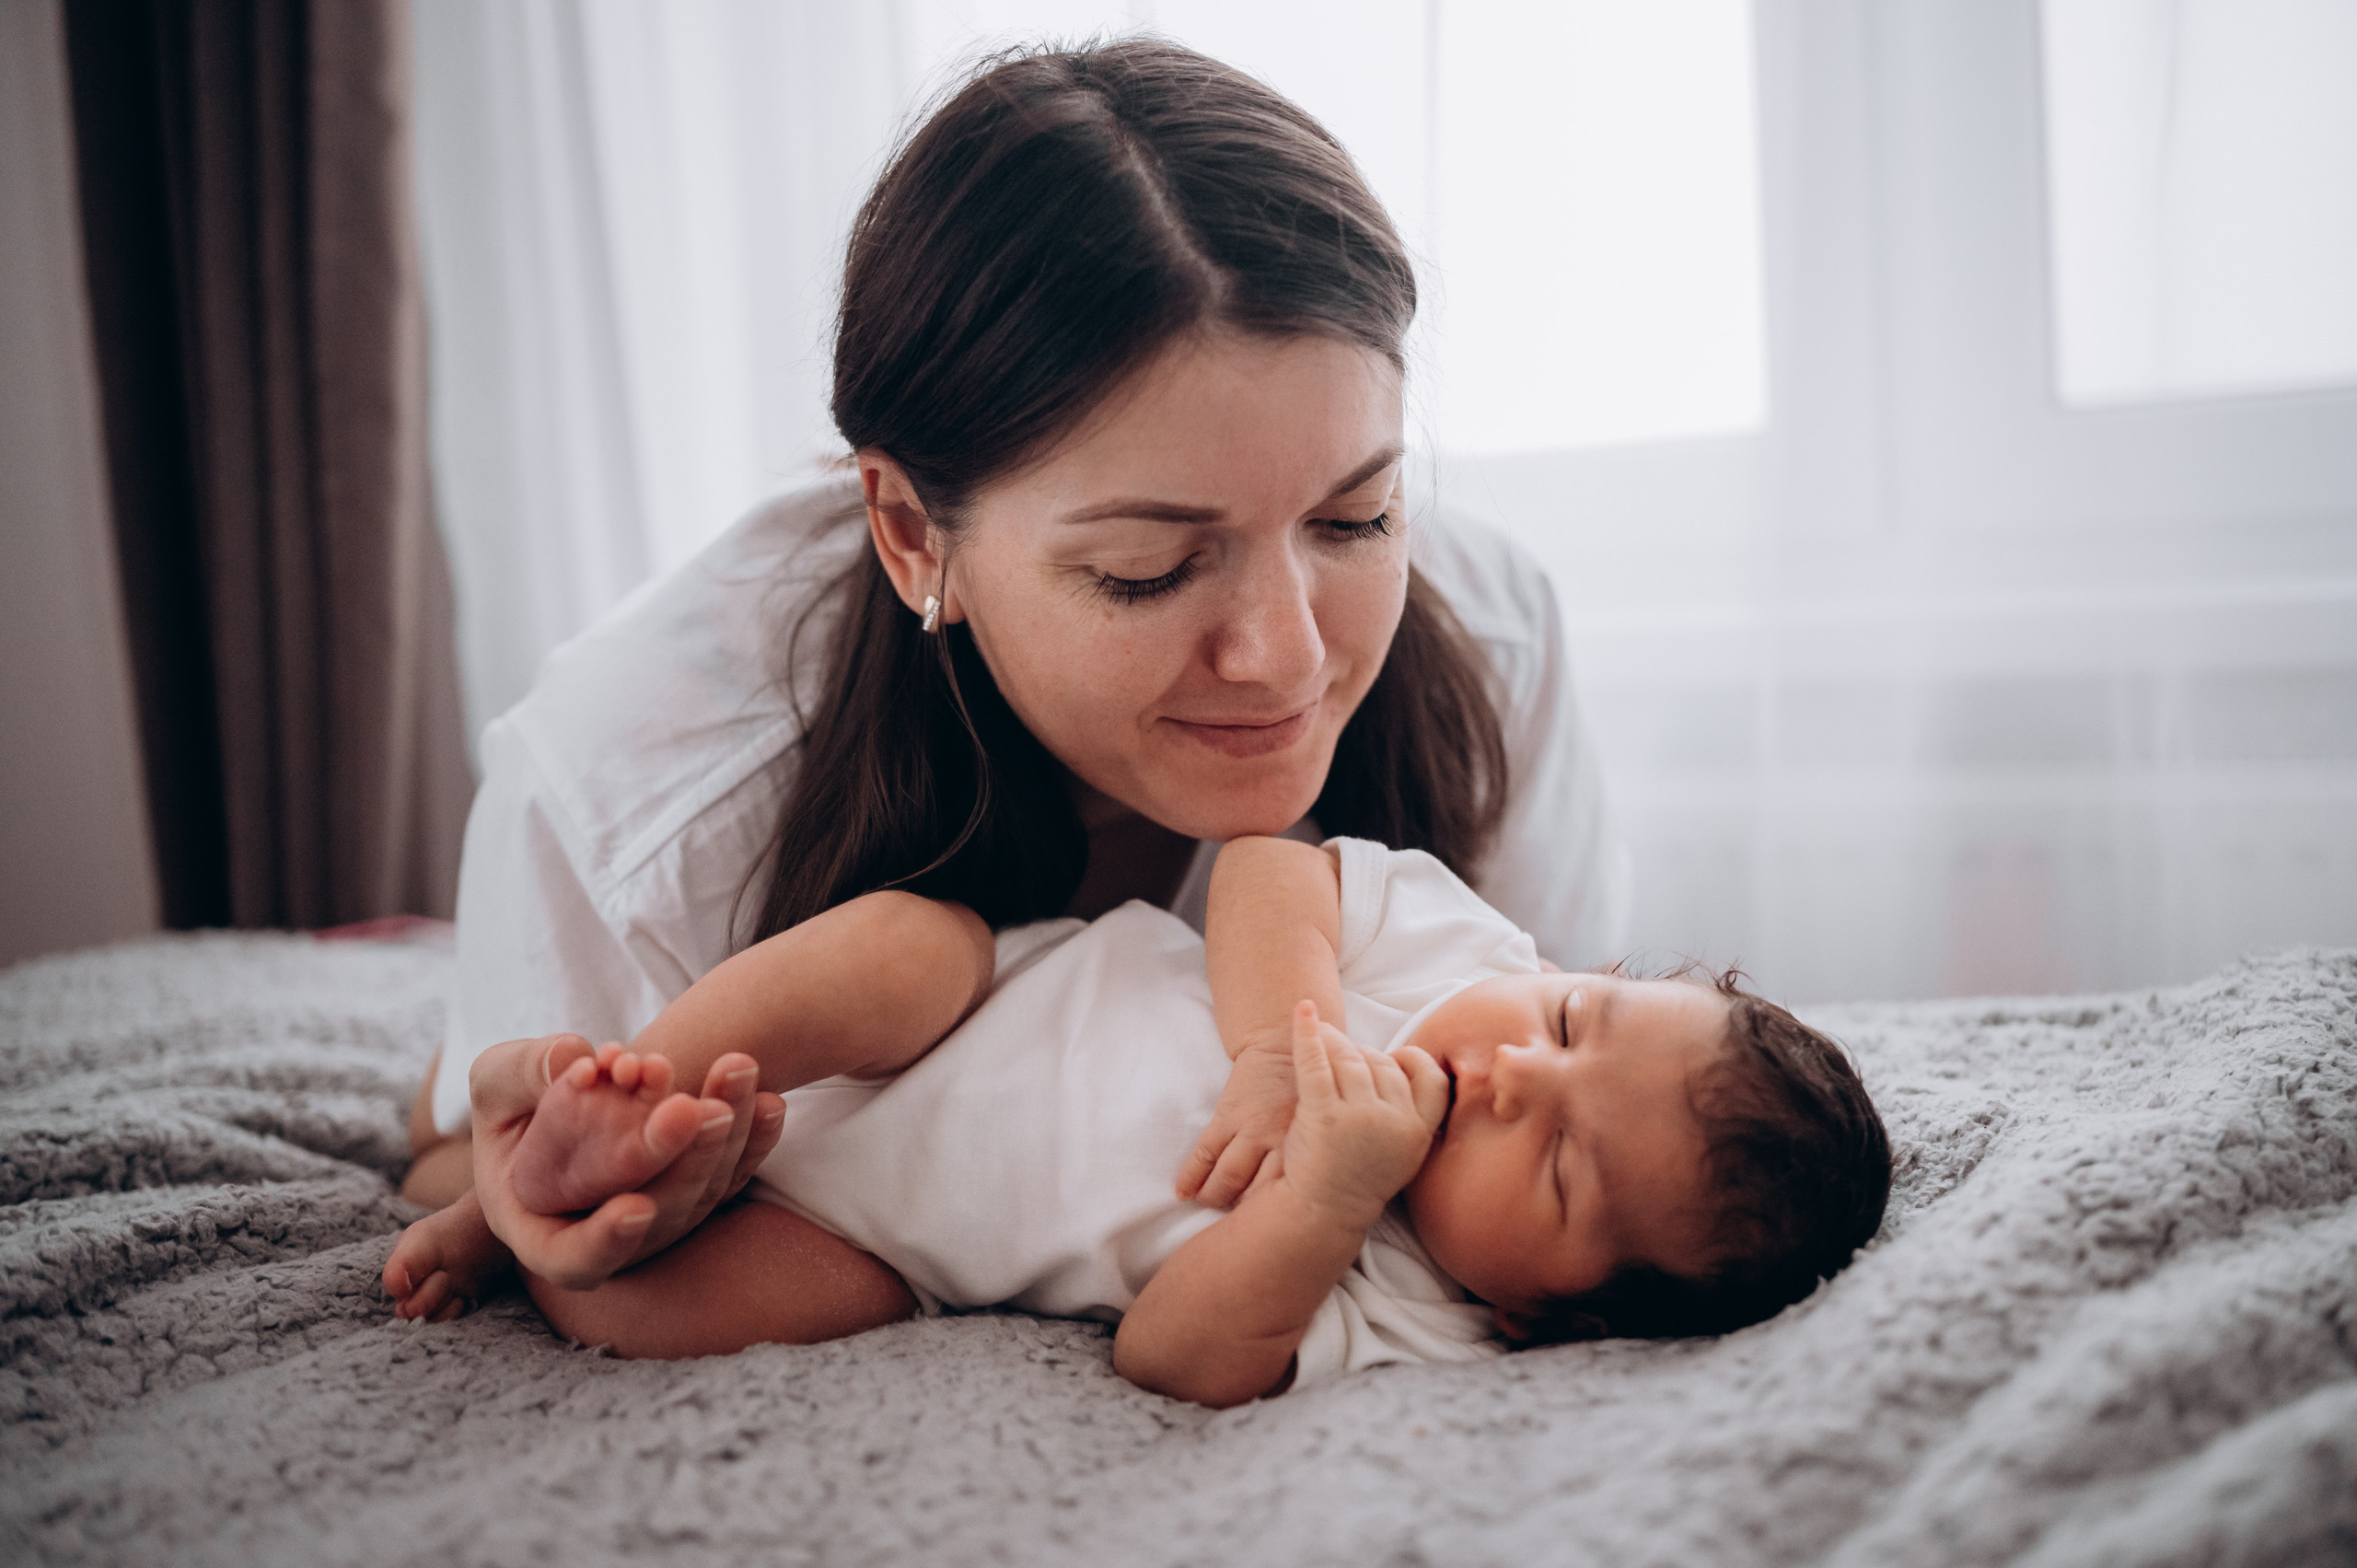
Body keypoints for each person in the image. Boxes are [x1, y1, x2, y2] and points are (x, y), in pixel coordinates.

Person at [394, 40, 1630, 1320]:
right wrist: (530, 1194)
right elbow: (461, 1172)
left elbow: (1590, 1126)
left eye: (1356, 517)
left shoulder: (1492, 640)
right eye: (1149, 570)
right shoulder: (641, 805)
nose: (1290, 657)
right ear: (913, 534)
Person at [388, 836, 1892, 1408]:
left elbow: (1170, 1354)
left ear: (1548, 1321)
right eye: (1571, 1022)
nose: (1512, 1075)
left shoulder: (1426, 1319)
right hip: (960, 1006)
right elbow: (1268, 865)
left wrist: (1321, 1201)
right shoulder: (1461, 951)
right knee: (907, 941)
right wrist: (1274, 1046)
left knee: (656, 1313)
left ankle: (535, 1210)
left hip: (877, 1245)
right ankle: (564, 1143)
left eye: (1558, 1167)